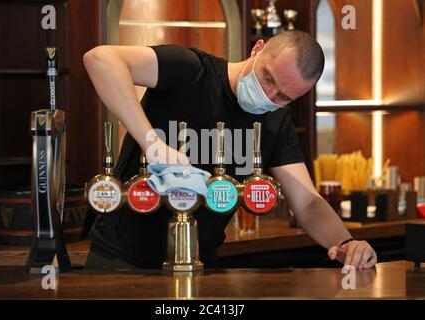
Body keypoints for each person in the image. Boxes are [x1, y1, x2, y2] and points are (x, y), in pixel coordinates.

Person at [82, 30, 377, 270]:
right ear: (257, 49)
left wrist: (348, 243)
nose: (268, 95)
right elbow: (100, 59)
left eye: (284, 96)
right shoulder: (191, 71)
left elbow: (308, 203)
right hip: (119, 259)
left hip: (200, 264)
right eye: (268, 78)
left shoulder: (275, 122)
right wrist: (151, 142)